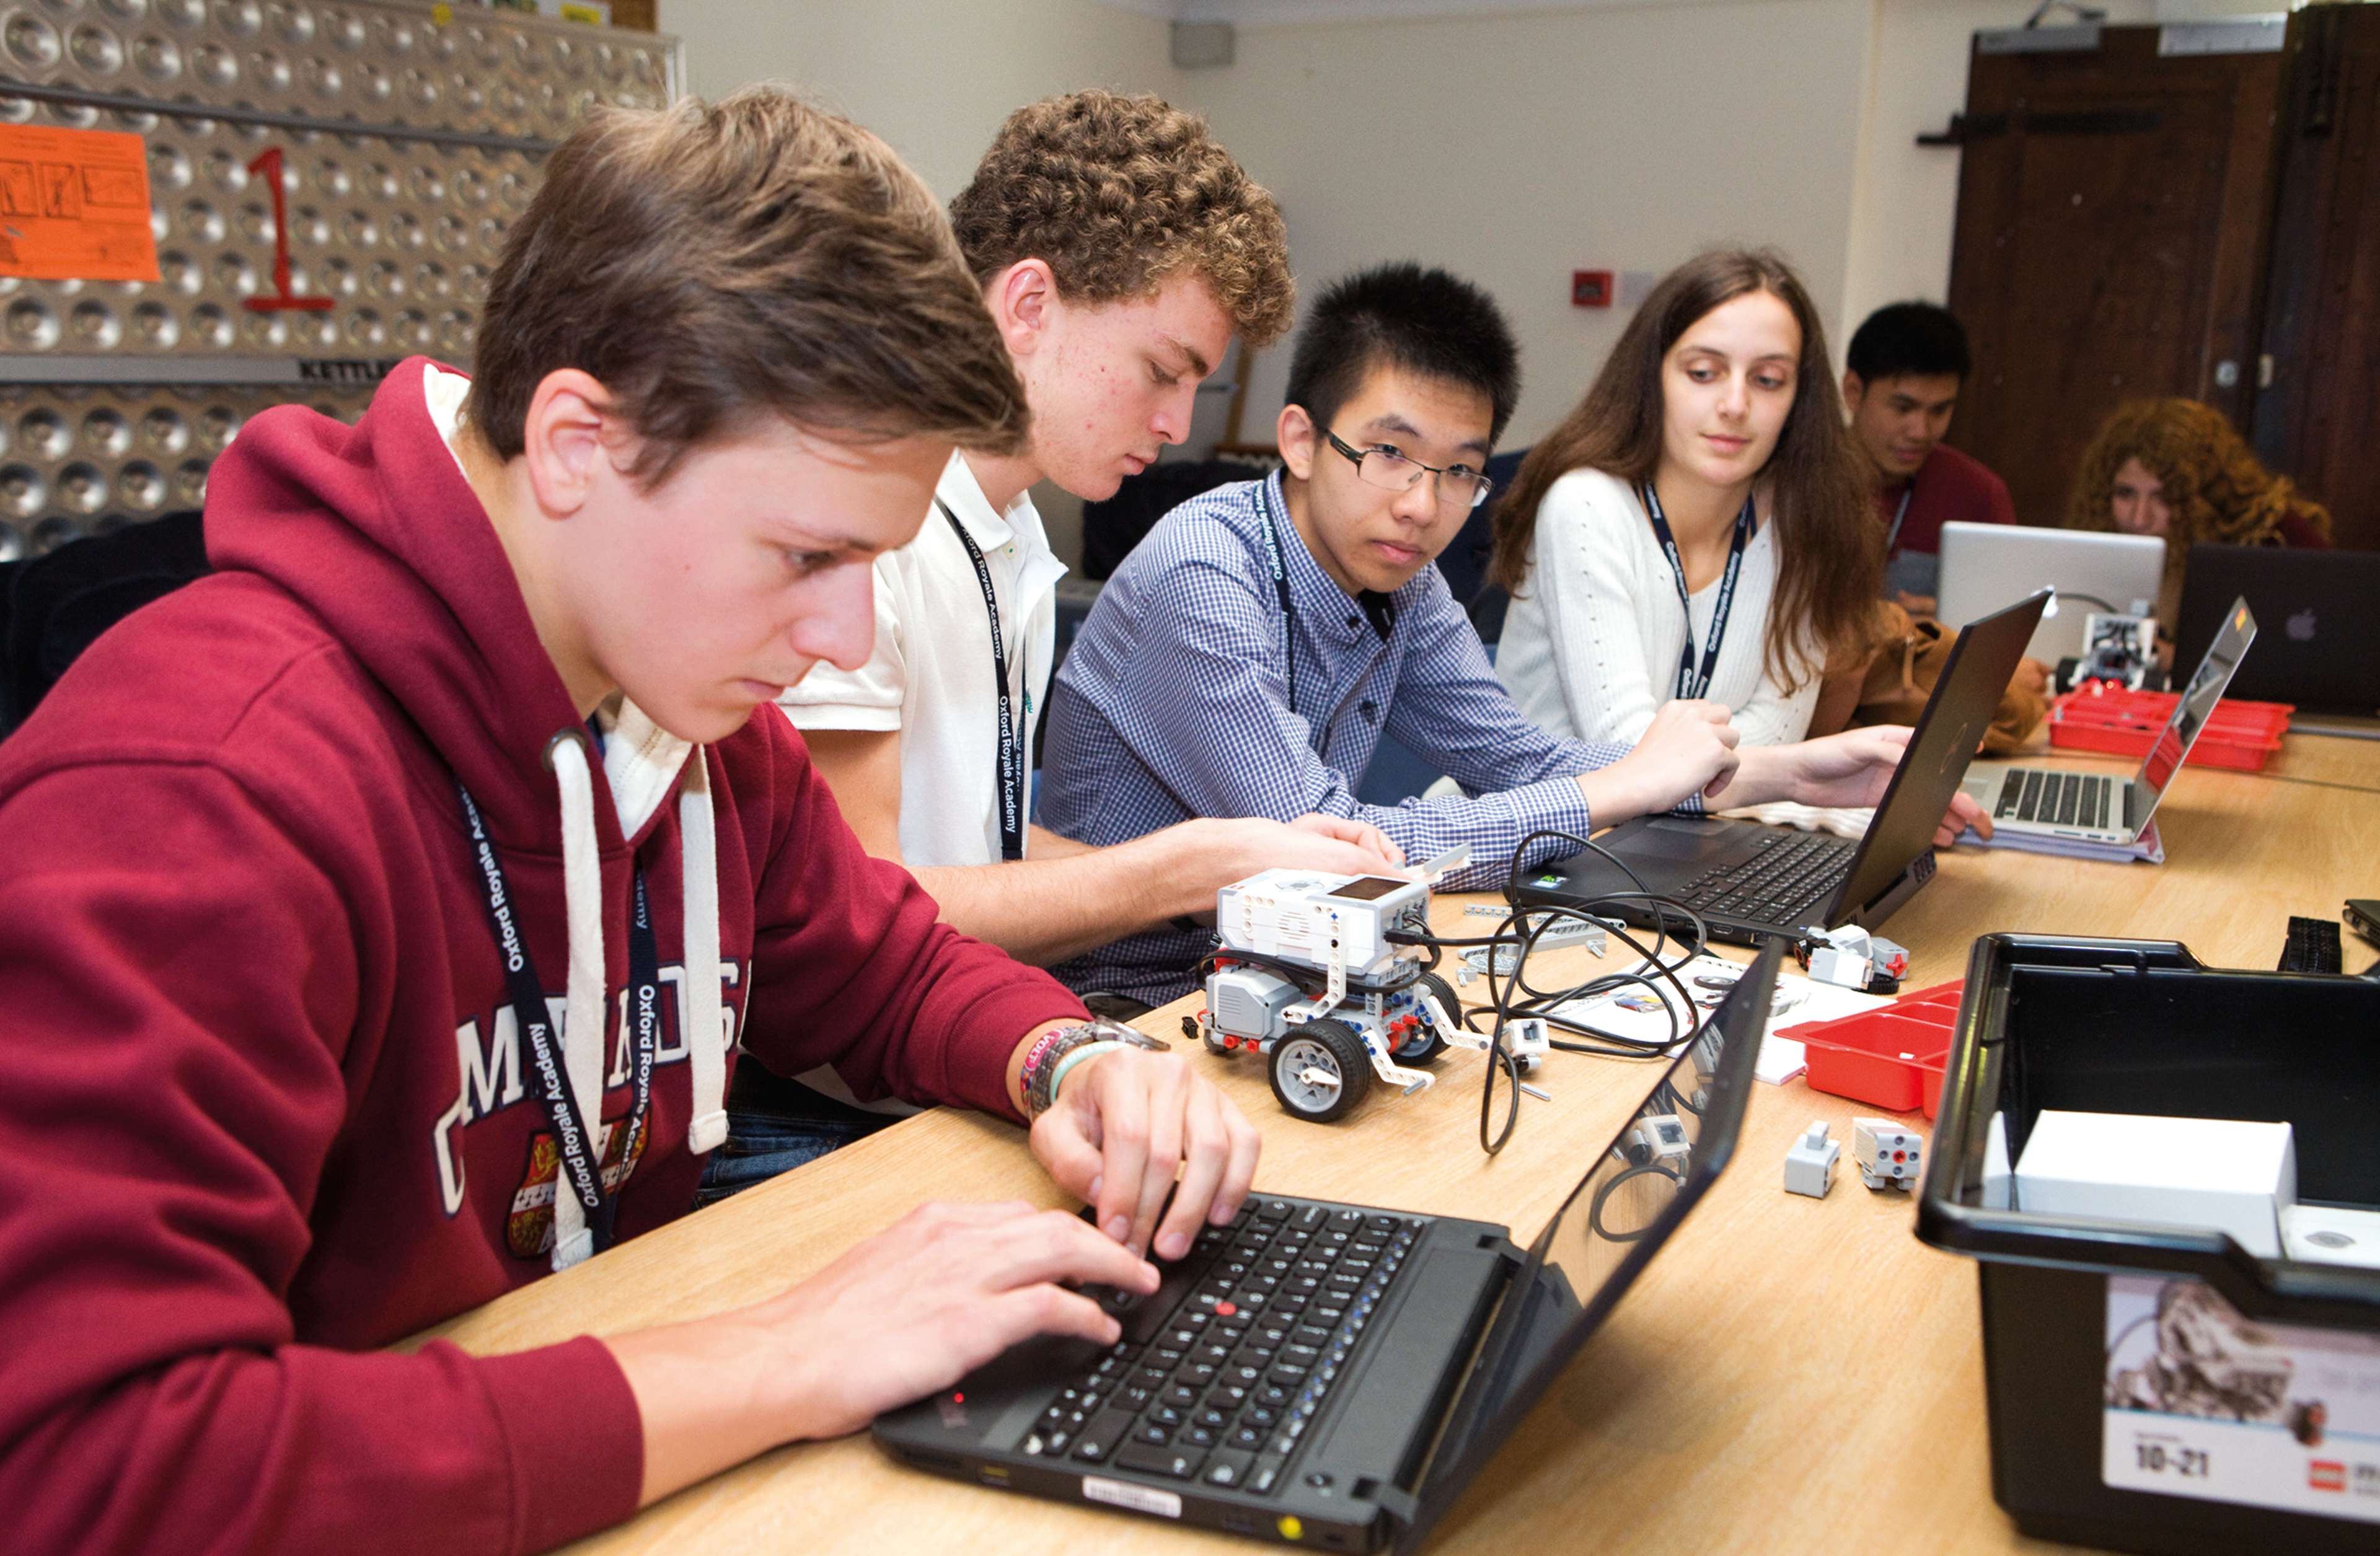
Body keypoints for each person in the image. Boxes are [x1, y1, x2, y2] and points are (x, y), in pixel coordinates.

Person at [0, 89, 1264, 1554]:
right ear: (575, 444)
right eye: (806, 551)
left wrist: (1073, 1056)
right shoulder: (199, 789)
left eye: (874, 559)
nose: (843, 626)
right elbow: (88, 1464)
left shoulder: (684, 701)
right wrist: (786, 1349)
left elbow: (883, 964)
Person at [1038, 262, 1988, 1008]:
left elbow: (1517, 756)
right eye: (1389, 453)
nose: (1422, 505)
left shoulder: (1397, 579)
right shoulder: (1207, 573)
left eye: (1459, 470)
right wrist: (1617, 784)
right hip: (1134, 1005)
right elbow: (1337, 857)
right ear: (1298, 440)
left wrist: (1795, 771)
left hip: (1289, 978)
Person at [741, 90, 1396, 1167]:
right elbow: (870, 908)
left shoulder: (1010, 534)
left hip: (950, 1060)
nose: (1179, 425)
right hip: (829, 1113)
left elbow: (978, 839)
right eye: (1161, 370)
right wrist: (1193, 864)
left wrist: (1241, 870)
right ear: (1030, 305)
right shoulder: (871, 539)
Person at [1489, 248, 1877, 750]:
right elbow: (1627, 753)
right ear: (1654, 378)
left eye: (1767, 380)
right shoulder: (1586, 505)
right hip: (1541, 825)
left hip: (1699, 825)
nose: (1735, 405)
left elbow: (1779, 731)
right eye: (1703, 373)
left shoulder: (1805, 521)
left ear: (1798, 398)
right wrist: (1800, 766)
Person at [2065, 397, 2332, 623]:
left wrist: (2178, 661)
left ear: (2206, 495)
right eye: (2125, 493)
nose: (2139, 518)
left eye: (2165, 497)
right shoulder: (2097, 546)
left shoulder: (2276, 537)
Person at [1838, 301, 2016, 610]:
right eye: (1903, 408)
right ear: (1854, 392)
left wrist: (1954, 628)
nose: (1921, 431)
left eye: (1940, 410)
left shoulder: (1979, 495)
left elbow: (2005, 624)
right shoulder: (1794, 477)